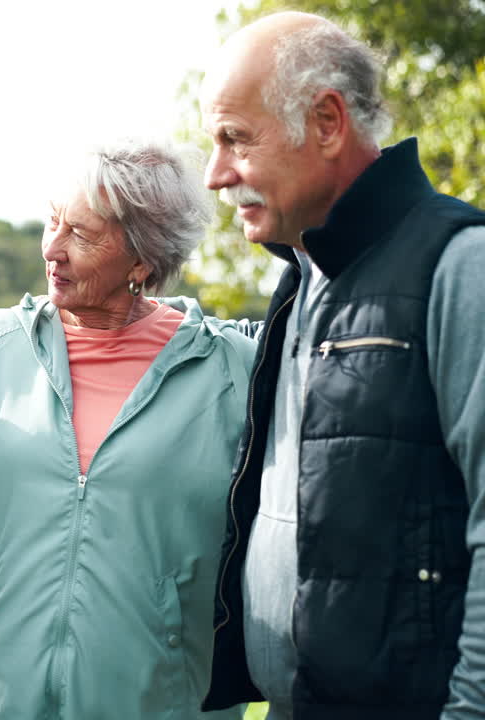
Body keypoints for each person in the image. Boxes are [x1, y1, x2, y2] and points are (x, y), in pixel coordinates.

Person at [198, 12, 485, 719]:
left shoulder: (462, 266)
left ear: (327, 122)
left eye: (236, 139)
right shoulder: (300, 276)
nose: (215, 175)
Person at [0, 139, 254, 719]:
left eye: (82, 234)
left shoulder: (232, 372)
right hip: (2, 703)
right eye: (53, 221)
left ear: (142, 261)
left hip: (163, 704)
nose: (53, 248)